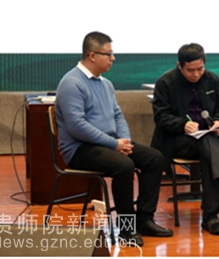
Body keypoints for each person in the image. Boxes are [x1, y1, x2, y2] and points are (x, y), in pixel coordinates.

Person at [55, 31, 173, 248]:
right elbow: (77, 126)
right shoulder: (71, 83)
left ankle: (144, 220)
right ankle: (126, 229)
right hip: (80, 149)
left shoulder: (105, 84)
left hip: (109, 144)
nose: (113, 58)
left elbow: (117, 115)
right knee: (124, 166)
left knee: (155, 158)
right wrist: (114, 144)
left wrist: (124, 140)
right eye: (108, 54)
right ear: (92, 55)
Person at [151, 43, 219, 235]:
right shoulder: (166, 82)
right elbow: (160, 116)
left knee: (208, 153)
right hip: (176, 141)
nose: (196, 74)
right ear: (179, 66)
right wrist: (182, 124)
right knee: (209, 146)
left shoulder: (211, 79)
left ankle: (210, 216)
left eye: (200, 69)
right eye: (190, 70)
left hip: (206, 139)